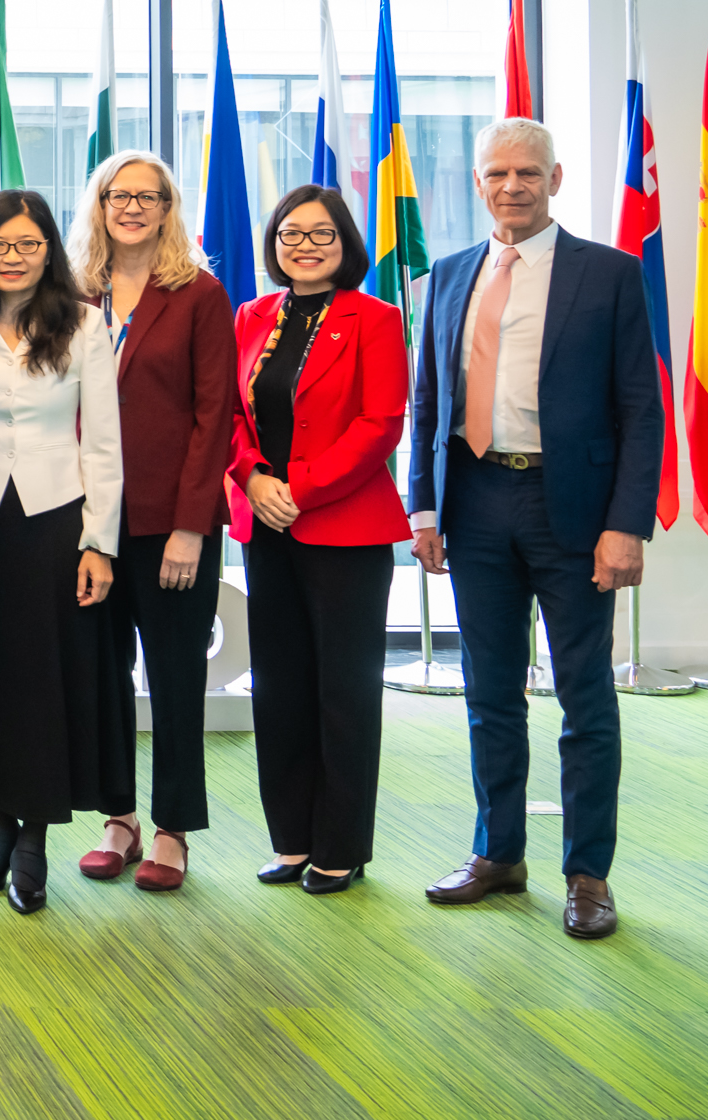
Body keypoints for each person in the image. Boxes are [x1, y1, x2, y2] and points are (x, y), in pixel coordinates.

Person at [409, 117, 664, 941]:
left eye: (528, 172)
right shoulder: (448, 276)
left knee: (584, 696)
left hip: (573, 511)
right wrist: (423, 506)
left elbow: (640, 409)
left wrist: (625, 525)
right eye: (496, 173)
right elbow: (428, 404)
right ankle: (498, 854)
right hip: (475, 502)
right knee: (488, 692)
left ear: (555, 181)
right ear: (478, 183)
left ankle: (588, 874)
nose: (510, 185)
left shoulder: (611, 274)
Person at [0, 188, 124, 917]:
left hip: (53, 522)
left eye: (28, 245)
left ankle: (35, 841)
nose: (13, 258)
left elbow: (103, 442)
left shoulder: (84, 324)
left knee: (43, 681)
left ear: (50, 251)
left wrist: (99, 544)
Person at [227, 183, 409, 896]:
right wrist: (251, 478)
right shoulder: (251, 316)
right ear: (273, 244)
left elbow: (379, 425)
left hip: (345, 529)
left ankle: (341, 846)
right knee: (279, 688)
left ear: (345, 244)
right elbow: (228, 414)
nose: (303, 245)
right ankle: (293, 840)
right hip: (265, 525)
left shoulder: (375, 318)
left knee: (344, 691)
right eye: (289, 233)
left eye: (320, 233)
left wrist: (297, 487)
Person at [70, 153, 236, 892]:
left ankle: (171, 829)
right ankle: (119, 820)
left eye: (148, 196)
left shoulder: (199, 293)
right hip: (84, 525)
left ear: (168, 208)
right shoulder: (72, 292)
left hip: (171, 524)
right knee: (102, 677)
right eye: (119, 194)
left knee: (173, 678)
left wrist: (191, 526)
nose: (132, 207)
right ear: (99, 204)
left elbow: (215, 416)